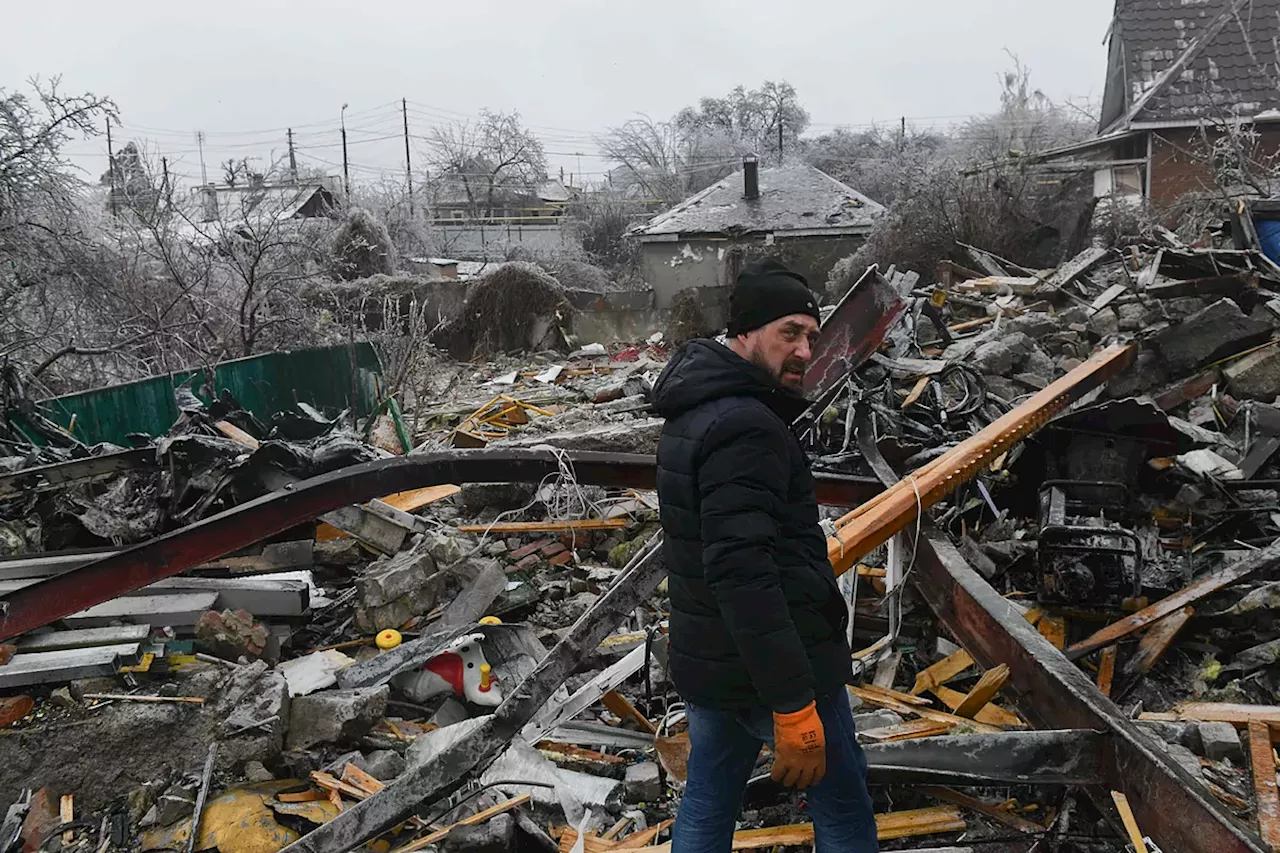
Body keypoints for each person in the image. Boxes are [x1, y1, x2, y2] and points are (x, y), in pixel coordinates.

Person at [652, 259, 877, 853]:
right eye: (789, 333)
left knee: (708, 796)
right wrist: (794, 703)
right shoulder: (745, 425)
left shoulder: (698, 407)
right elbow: (741, 571)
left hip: (714, 658)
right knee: (845, 808)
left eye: (811, 334)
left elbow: (717, 544)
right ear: (746, 332)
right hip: (774, 665)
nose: (806, 350)